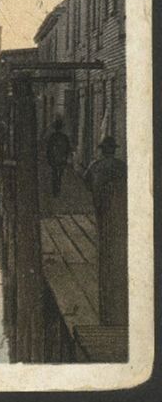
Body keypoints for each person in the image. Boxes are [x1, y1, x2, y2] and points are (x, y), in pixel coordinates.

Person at [83, 136, 128, 326]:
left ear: (102, 150)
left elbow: (85, 182)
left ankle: (103, 238)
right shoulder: (121, 165)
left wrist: (96, 188)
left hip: (99, 198)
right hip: (116, 201)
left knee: (102, 218)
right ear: (114, 150)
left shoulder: (95, 165)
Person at [45, 118, 71, 196]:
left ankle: (55, 189)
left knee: (54, 173)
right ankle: (58, 187)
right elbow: (68, 149)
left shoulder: (52, 137)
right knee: (59, 174)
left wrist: (49, 158)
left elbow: (49, 149)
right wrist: (66, 157)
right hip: (62, 158)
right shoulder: (64, 137)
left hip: (54, 158)